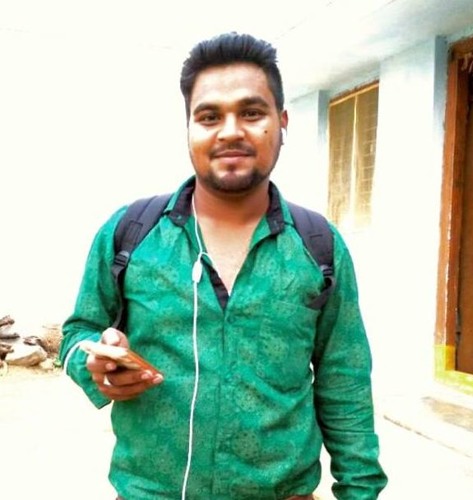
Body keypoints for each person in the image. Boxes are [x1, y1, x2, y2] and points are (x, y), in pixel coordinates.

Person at [60, 32, 388, 500]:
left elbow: (344, 379)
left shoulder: (318, 247)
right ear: (189, 129)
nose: (230, 131)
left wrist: (360, 491)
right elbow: (78, 332)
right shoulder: (130, 234)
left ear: (282, 122)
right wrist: (95, 364)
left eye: (252, 113)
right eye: (209, 116)